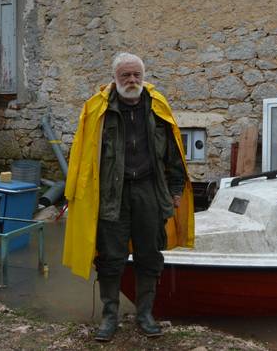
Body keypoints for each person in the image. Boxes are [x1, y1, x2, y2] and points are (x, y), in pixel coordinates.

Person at [62, 52, 194, 342]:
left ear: (143, 77)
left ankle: (145, 314)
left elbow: (173, 155)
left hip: (148, 191)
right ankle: (110, 317)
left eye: (136, 75)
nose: (132, 80)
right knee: (110, 257)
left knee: (149, 254)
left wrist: (174, 192)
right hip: (111, 194)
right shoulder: (96, 109)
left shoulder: (158, 107)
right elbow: (82, 158)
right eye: (126, 76)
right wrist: (79, 198)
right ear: (115, 78)